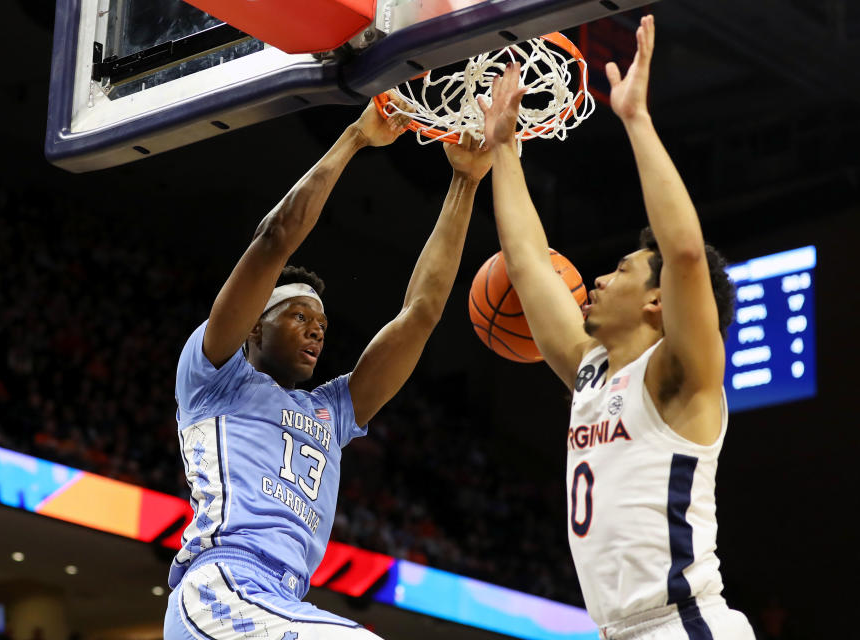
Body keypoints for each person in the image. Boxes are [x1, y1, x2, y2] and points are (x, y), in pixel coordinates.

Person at [163, 99, 492, 639]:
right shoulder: (214, 376)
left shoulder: (332, 410)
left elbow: (422, 312)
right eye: (298, 315)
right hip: (222, 587)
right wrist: (355, 139)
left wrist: (466, 183)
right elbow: (276, 238)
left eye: (321, 322)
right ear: (254, 328)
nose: (318, 329)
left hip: (280, 600)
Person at [478, 15, 755, 640]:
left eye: (621, 270)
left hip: (684, 625)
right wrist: (503, 145)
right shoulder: (591, 373)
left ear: (659, 301)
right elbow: (526, 263)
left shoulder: (681, 378)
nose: (597, 280)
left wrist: (636, 120)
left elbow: (684, 253)